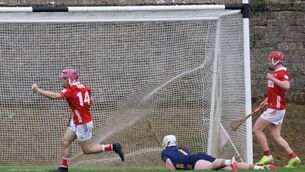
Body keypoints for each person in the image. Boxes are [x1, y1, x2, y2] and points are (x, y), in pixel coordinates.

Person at [32, 69, 124, 172]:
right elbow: (91, 100)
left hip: (83, 123)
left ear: (71, 79)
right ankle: (64, 168)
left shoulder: (71, 90)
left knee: (87, 150)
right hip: (76, 120)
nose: (63, 81)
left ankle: (113, 146)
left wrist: (37, 90)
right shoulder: (84, 86)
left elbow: (54, 96)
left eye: (64, 79)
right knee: (65, 141)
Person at [253, 51, 301, 168]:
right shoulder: (275, 73)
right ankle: (294, 157)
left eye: (270, 60)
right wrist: (267, 99)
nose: (268, 62)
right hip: (275, 107)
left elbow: (286, 85)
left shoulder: (281, 72)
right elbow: (275, 91)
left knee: (256, 130)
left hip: (275, 109)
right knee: (276, 136)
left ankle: (267, 155)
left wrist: (273, 79)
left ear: (275, 60)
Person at [161, 135, 276, 171]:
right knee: (223, 166)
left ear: (165, 143)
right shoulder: (182, 148)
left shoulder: (165, 152)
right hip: (197, 156)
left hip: (193, 162)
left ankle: (229, 161)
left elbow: (170, 165)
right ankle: (261, 168)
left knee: (212, 167)